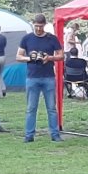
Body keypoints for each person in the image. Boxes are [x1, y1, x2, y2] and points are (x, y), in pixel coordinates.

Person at [17, 14, 63, 142]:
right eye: (36, 26)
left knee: (51, 108)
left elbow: (60, 55)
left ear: (45, 25)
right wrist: (30, 58)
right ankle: (29, 135)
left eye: (40, 26)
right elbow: (18, 56)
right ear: (33, 24)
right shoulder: (27, 38)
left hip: (48, 76)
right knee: (31, 108)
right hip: (32, 77)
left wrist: (49, 58)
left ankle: (55, 134)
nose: (38, 29)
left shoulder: (51, 38)